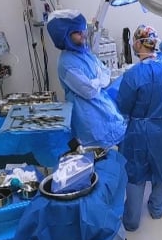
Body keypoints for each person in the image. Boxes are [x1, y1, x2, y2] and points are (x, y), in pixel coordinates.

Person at [116, 25, 162, 231]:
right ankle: (157, 210)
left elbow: (123, 105)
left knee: (135, 171)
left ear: (139, 43)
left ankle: (132, 221)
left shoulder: (133, 75)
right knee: (159, 168)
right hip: (161, 129)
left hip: (138, 131)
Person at [46, 10, 126, 148]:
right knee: (98, 159)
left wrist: (96, 81)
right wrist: (99, 80)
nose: (83, 35)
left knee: (113, 158)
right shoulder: (66, 63)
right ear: (65, 36)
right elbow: (89, 92)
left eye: (82, 30)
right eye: (78, 32)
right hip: (90, 121)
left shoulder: (85, 53)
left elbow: (106, 73)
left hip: (104, 111)